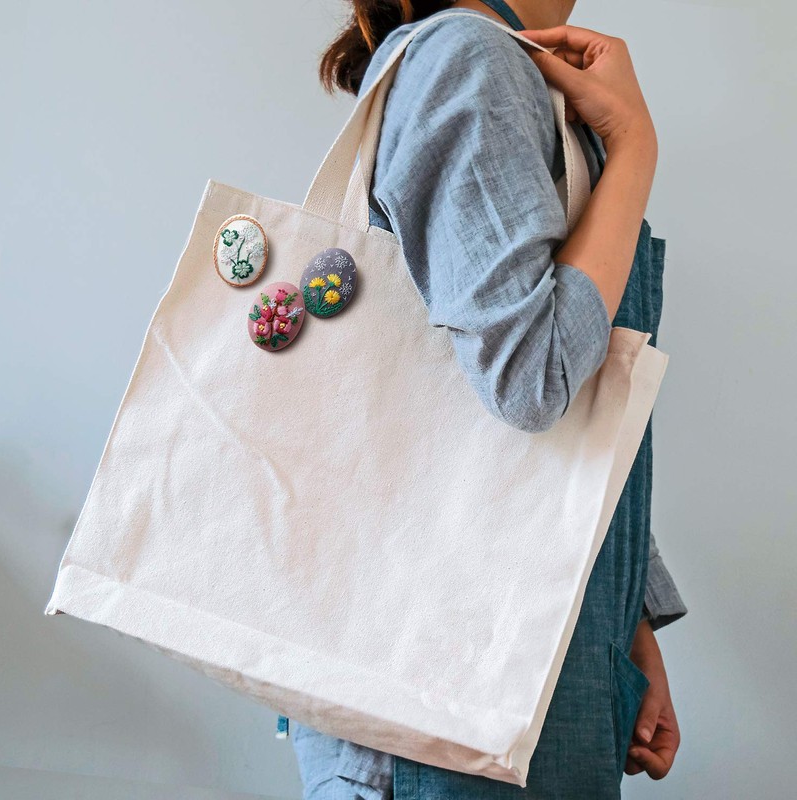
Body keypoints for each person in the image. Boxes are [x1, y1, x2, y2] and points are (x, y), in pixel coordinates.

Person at [286, 1, 688, 797]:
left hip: (513, 669)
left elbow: (560, 414)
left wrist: (627, 616)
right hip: (444, 705)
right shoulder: (469, 60)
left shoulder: (503, 72)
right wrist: (635, 146)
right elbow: (531, 378)